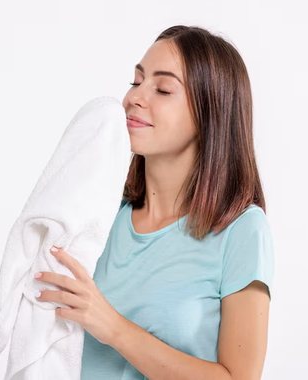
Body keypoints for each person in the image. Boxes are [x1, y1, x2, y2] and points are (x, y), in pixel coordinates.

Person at [79, 25, 275, 379]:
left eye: (163, 89)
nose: (135, 98)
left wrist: (113, 328)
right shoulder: (97, 215)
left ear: (209, 113)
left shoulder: (242, 231)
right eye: (136, 82)